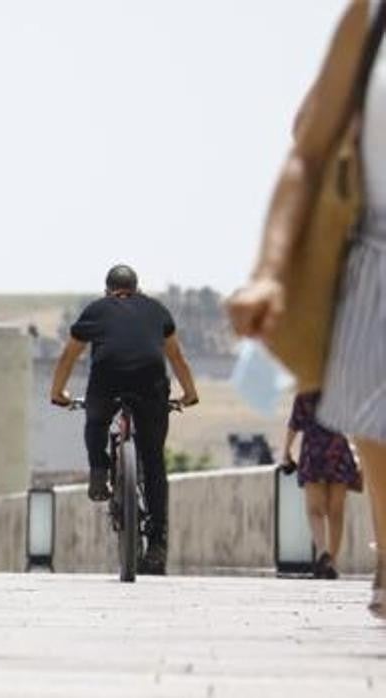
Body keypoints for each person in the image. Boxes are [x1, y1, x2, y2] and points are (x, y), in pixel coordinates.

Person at [228, 0, 386, 619]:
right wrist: (269, 274)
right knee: (374, 421)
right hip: (375, 254)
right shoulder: (369, 18)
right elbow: (308, 151)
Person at [49, 265, 198, 575]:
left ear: (108, 290)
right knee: (154, 461)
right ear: (137, 288)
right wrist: (189, 393)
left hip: (107, 380)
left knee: (96, 419)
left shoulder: (97, 310)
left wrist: (58, 393)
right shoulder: (157, 310)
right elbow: (176, 357)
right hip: (150, 384)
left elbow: (68, 356)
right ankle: (156, 542)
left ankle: (99, 470)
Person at [283, 391, 361, 579]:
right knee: (336, 511)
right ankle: (332, 562)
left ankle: (322, 552)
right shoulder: (343, 386)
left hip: (313, 452)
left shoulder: (305, 388)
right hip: (338, 451)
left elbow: (294, 423)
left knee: (315, 510)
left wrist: (286, 452)